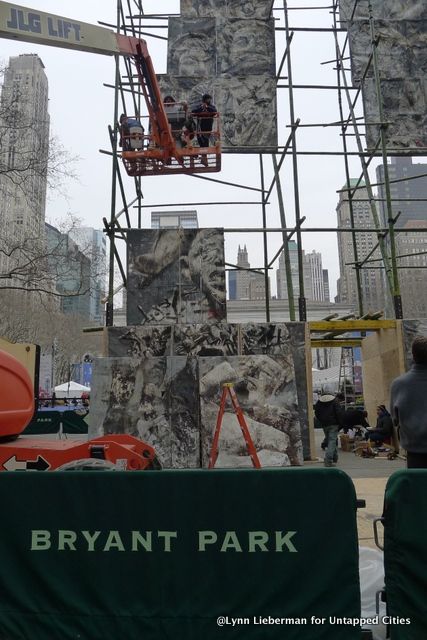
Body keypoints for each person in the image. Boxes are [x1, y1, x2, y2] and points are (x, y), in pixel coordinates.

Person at [390, 336, 427, 468]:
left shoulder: (399, 384)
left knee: (418, 487)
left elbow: (394, 420)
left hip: (414, 453)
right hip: (414, 451)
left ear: (413, 355)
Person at [314, 392, 345, 467]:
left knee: (330, 440)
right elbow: (339, 413)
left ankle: (335, 457)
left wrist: (321, 420)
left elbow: (316, 413)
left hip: (325, 424)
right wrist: (340, 423)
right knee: (332, 441)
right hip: (334, 424)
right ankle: (328, 460)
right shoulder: (335, 401)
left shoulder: (319, 402)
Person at [192, 93, 217, 164]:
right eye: (208, 99)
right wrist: (202, 108)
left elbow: (214, 111)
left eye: (209, 99)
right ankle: (204, 159)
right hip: (200, 128)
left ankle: (204, 159)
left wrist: (207, 108)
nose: (209, 100)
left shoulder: (211, 107)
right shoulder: (199, 106)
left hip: (207, 129)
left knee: (205, 143)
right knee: (201, 143)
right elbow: (194, 111)